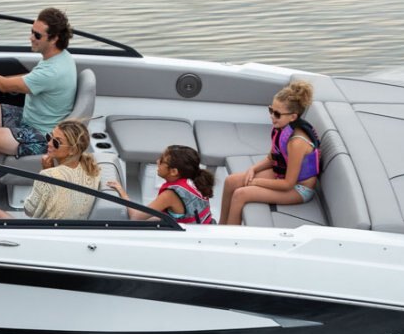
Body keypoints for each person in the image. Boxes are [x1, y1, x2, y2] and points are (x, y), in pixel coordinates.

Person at [0, 8, 78, 163]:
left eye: (37, 35)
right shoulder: (59, 57)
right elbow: (30, 79)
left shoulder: (52, 71)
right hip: (31, 118)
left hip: (44, 135)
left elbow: (4, 86)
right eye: (32, 31)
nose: (31, 38)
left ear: (54, 39)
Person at [218, 80, 320, 225]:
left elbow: (287, 184)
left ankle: (229, 235)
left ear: (293, 117)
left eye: (277, 114)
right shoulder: (281, 128)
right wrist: (253, 169)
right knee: (231, 181)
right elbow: (271, 158)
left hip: (299, 189)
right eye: (271, 110)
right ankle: (221, 226)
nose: (272, 116)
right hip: (283, 175)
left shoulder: (296, 143)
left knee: (240, 194)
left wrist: (255, 182)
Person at [0, 120, 101, 220]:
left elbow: (29, 211)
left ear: (72, 150)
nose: (49, 143)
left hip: (47, 233)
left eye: (56, 142)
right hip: (72, 230)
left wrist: (46, 173)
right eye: (49, 137)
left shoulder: (48, 175)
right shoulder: (92, 169)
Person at [106, 145, 215, 224]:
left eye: (162, 160)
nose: (157, 161)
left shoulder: (170, 195)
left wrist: (122, 193)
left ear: (174, 172)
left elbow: (135, 217)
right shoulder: (194, 179)